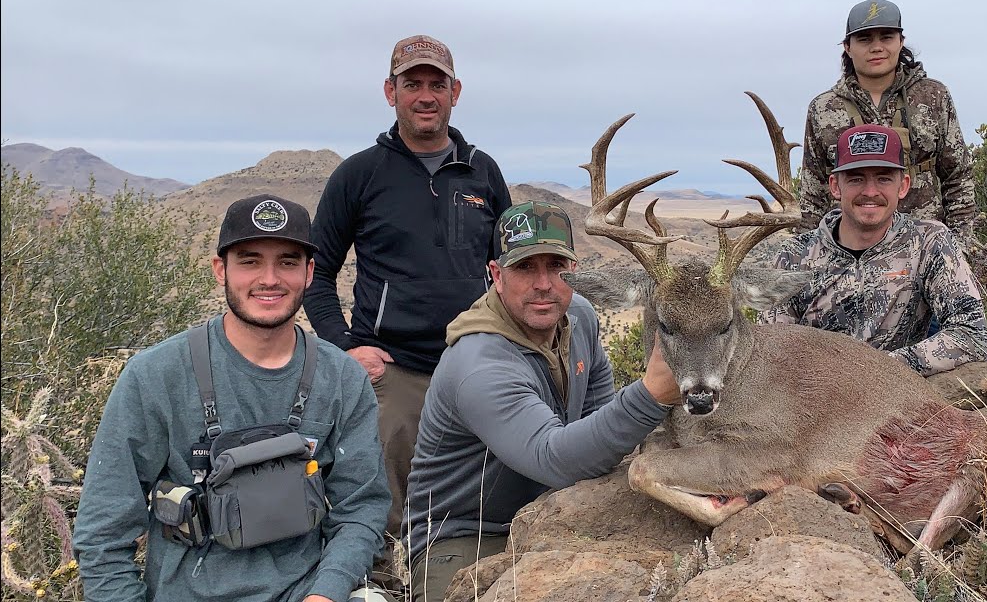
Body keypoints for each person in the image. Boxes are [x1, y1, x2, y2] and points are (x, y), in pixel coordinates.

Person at [73, 194, 389, 602]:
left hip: (305, 591)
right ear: (220, 269)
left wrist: (326, 592)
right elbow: (102, 532)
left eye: (287, 262)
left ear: (309, 272)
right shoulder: (155, 375)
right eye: (250, 261)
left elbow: (361, 509)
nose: (269, 279)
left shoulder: (342, 378)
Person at [402, 202, 680, 602]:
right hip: (467, 534)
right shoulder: (479, 364)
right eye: (525, 267)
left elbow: (597, 417)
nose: (544, 284)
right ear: (497, 275)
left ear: (575, 270)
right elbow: (555, 459)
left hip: (551, 507)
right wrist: (651, 395)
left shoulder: (579, 317)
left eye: (556, 266)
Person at [303, 34, 511, 566]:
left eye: (436, 84)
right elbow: (315, 273)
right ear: (389, 91)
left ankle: (466, 577)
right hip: (393, 368)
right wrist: (345, 347)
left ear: (455, 93)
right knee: (382, 504)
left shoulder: (483, 172)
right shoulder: (360, 174)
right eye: (411, 83)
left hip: (473, 362)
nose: (425, 96)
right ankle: (380, 580)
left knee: (482, 492)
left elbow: (508, 270)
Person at [765, 125, 987, 375]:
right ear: (835, 186)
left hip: (897, 391)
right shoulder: (793, 255)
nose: (870, 192)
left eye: (883, 178)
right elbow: (770, 349)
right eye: (856, 179)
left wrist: (880, 371)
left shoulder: (929, 242)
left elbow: (972, 334)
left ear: (903, 186)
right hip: (814, 391)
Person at [797, 0, 977, 240]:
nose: (877, 47)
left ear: (901, 42)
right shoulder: (823, 108)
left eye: (886, 37)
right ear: (847, 47)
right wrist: (807, 250)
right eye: (865, 39)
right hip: (849, 250)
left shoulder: (933, 96)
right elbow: (812, 193)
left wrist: (959, 245)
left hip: (924, 246)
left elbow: (958, 176)